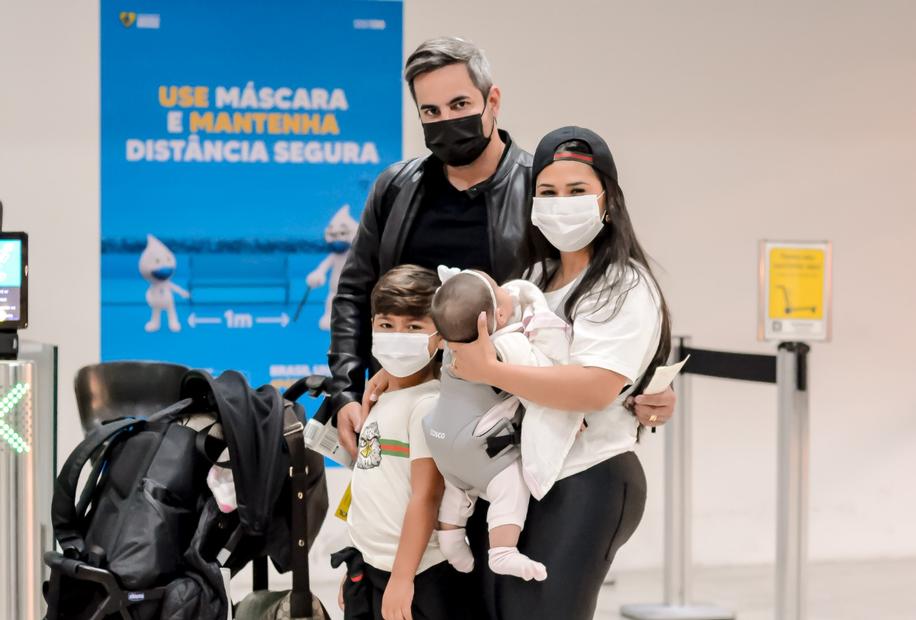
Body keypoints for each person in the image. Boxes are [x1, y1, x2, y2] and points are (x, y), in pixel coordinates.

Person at [327, 36, 676, 462]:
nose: (445, 120)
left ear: (492, 100)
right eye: (430, 111)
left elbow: (601, 283)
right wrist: (345, 390)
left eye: (459, 105)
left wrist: (645, 383)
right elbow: (354, 293)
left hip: (508, 417)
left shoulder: (543, 188)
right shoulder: (396, 188)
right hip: (404, 401)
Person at [448, 126, 672, 619]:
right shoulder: (531, 279)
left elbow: (594, 387)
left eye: (577, 191)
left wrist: (494, 370)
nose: (560, 203)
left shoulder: (623, 284)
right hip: (519, 474)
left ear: (607, 199)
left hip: (587, 478)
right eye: (547, 192)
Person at [331, 265, 469, 620]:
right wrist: (357, 564)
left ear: (439, 336)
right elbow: (370, 483)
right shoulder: (378, 398)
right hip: (370, 567)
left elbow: (426, 496)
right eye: (387, 325)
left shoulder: (429, 404)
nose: (398, 335)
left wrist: (402, 578)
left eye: (413, 326)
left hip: (417, 574)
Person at [424, 268, 571, 583]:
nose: (510, 290)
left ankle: (450, 539)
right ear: (497, 317)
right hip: (479, 444)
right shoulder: (506, 345)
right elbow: (542, 382)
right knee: (511, 481)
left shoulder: (451, 340)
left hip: (440, 436)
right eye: (500, 291)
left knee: (457, 486)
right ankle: (503, 551)